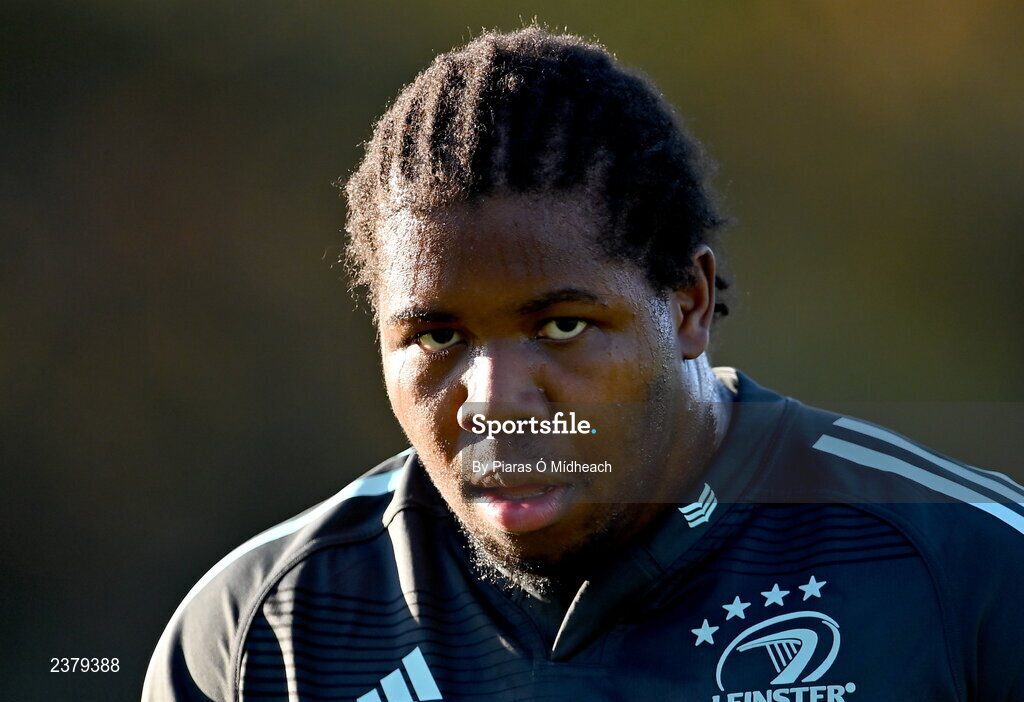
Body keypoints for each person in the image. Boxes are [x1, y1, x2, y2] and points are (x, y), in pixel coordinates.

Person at [143, 28, 1024, 702]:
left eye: (562, 326)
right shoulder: (261, 632)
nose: (497, 399)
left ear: (687, 303)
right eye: (438, 338)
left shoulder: (964, 569)